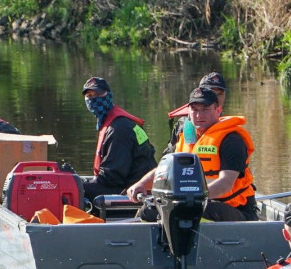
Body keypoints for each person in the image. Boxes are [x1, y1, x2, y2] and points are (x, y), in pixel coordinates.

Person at [126, 86, 258, 221]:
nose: (199, 115)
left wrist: (194, 197)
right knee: (148, 211)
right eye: (194, 109)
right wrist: (141, 184)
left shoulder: (232, 140)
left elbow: (226, 183)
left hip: (235, 209)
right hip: (191, 203)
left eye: (205, 109)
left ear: (218, 111)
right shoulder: (184, 137)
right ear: (188, 112)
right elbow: (163, 171)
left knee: (193, 212)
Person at [80, 76, 157, 201]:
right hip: (124, 183)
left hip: (134, 192)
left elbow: (112, 178)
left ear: (108, 95)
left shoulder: (119, 129)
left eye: (98, 95)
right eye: (89, 96)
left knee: (74, 191)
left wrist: (79, 186)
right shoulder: (115, 123)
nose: (93, 99)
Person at [163, 71, 229, 157]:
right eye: (211, 93)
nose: (216, 98)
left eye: (220, 94)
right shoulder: (183, 126)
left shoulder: (229, 131)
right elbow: (168, 156)